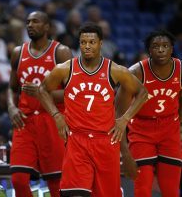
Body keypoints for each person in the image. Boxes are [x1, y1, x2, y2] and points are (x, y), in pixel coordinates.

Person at [36, 22, 147, 196]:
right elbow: (42, 89)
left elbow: (142, 92)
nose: (87, 46)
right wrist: (57, 115)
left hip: (105, 141)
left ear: (100, 43)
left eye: (92, 42)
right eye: (83, 42)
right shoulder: (65, 69)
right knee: (74, 193)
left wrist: (125, 119)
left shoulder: (115, 70)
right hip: (77, 141)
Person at [7, 11, 72, 197]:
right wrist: (12, 107)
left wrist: (44, 94)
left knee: (56, 184)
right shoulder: (18, 53)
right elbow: (12, 88)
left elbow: (73, 92)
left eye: (35, 21)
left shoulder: (61, 52)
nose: (30, 25)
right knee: (18, 179)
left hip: (52, 121)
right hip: (25, 123)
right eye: (27, 22)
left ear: (47, 27)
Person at [116, 30, 182, 197]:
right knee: (143, 189)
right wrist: (124, 152)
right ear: (149, 51)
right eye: (156, 46)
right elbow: (119, 113)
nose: (161, 50)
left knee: (171, 190)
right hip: (141, 130)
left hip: (170, 129)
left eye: (165, 46)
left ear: (172, 48)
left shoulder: (180, 69)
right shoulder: (135, 73)